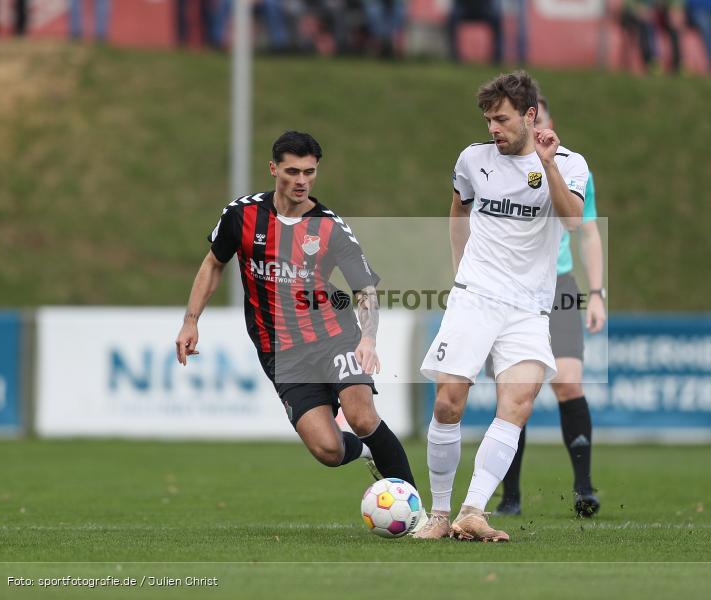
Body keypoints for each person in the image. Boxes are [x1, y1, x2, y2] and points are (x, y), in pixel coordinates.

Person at [175, 131, 418, 493]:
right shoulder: (241, 216)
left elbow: (365, 289)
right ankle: (367, 451)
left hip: (335, 337)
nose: (301, 181)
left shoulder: (330, 228)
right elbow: (214, 263)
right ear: (273, 169)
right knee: (328, 449)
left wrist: (368, 338)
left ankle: (414, 507)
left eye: (309, 172)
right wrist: (190, 321)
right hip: (282, 351)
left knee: (361, 415)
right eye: (292, 172)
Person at [412, 71, 589, 542]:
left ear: (530, 116)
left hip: (529, 307)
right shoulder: (473, 160)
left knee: (519, 402)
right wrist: (458, 275)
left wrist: (548, 165)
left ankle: (473, 510)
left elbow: (572, 222)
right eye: (489, 119)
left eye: (503, 119)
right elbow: (458, 208)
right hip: (476, 295)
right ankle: (439, 513)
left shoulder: (570, 164)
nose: (493, 128)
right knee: (449, 401)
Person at [493, 96, 605, 518]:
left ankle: (584, 489)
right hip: (511, 289)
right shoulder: (500, 167)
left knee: (569, 383)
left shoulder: (573, 169)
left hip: (559, 287)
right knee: (512, 392)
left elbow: (587, 231)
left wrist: (596, 293)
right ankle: (511, 496)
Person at [621, 0, 684, 74]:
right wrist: (638, 10)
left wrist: (675, 10)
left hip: (658, 14)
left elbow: (675, 3)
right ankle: (650, 61)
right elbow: (628, 5)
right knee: (646, 27)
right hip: (637, 15)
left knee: (674, 28)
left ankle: (677, 64)